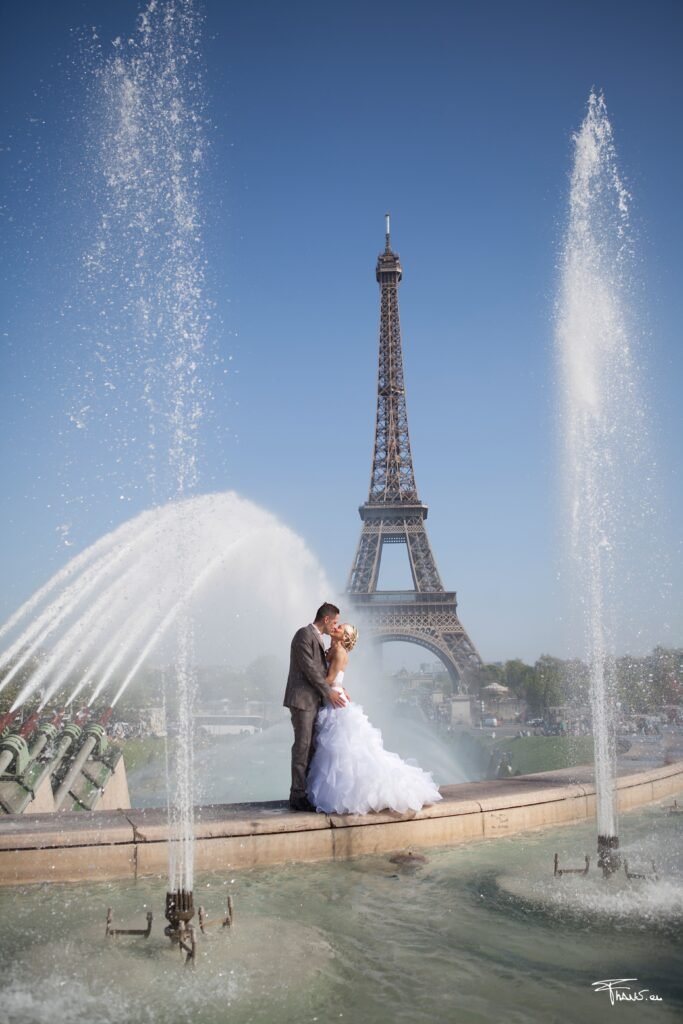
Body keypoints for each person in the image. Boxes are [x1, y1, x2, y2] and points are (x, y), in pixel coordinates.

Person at [307, 624, 443, 815]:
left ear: (346, 638)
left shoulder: (339, 652)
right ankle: (345, 790)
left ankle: (355, 793)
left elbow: (328, 680)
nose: (337, 627)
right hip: (334, 698)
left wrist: (310, 678)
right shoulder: (333, 649)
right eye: (338, 626)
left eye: (342, 629)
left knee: (344, 750)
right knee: (342, 751)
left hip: (334, 701)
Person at [283, 602, 347, 811]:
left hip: (313, 700)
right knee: (302, 746)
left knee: (310, 747)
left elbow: (325, 672)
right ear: (326, 619)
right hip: (302, 700)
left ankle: (306, 792)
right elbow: (310, 669)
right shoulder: (304, 635)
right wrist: (329, 691)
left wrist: (338, 686)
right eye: (335, 622)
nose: (335, 627)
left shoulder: (318, 638)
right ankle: (297, 795)